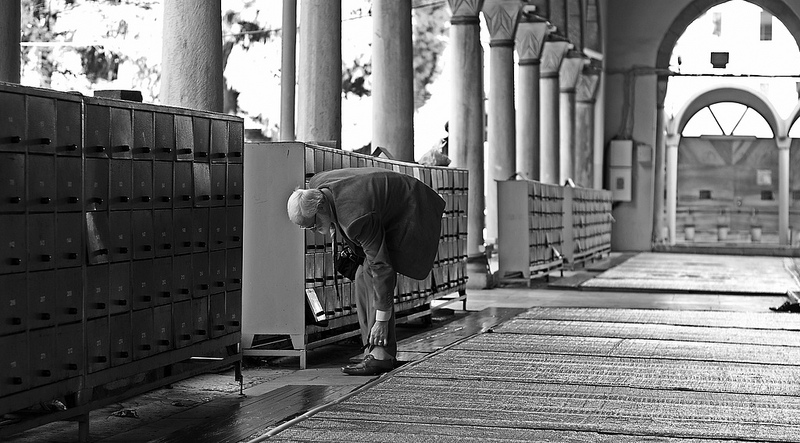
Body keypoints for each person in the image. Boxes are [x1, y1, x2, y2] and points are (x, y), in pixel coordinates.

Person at [286, 167, 446, 375]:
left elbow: (382, 267)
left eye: (313, 225)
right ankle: (373, 351)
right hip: (385, 204)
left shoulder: (356, 219)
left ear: (321, 206)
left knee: (371, 274)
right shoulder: (318, 185)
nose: (314, 230)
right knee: (362, 276)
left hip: (412, 208)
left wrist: (381, 320)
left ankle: (380, 354)